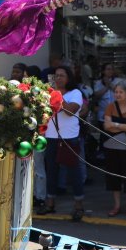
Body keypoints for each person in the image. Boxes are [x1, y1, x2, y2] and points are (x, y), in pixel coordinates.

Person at [39, 65, 85, 220]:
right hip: (51, 137)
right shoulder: (48, 93)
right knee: (51, 171)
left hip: (69, 138)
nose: (58, 78)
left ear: (69, 78)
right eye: (56, 76)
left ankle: (79, 205)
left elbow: (70, 111)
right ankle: (50, 203)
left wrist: (57, 96)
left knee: (74, 173)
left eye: (61, 76)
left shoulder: (75, 93)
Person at [102, 79, 126, 217]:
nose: (117, 95)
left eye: (121, 92)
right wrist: (123, 126)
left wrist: (115, 125)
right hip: (111, 147)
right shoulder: (110, 106)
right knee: (113, 176)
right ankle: (117, 205)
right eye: (116, 92)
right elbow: (106, 126)